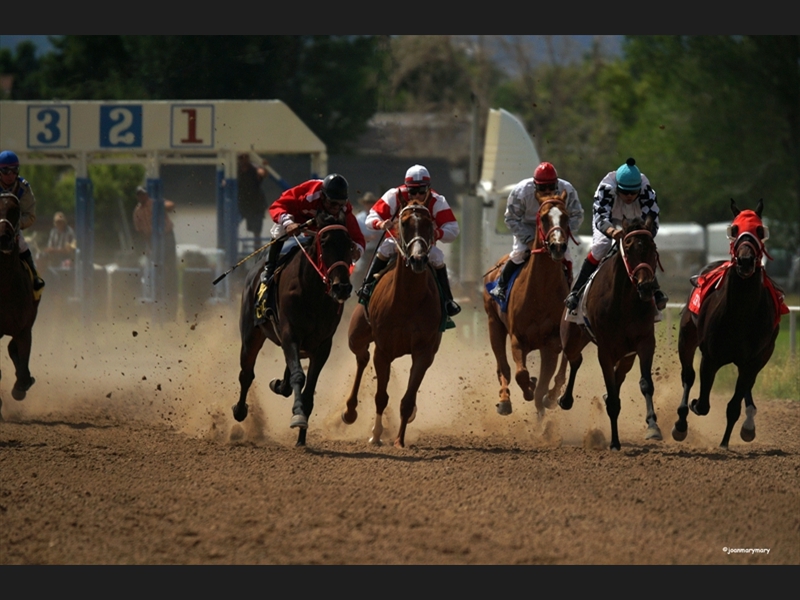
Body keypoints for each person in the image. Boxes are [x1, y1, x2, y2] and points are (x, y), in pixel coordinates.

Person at [564, 157, 668, 312]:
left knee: (642, 247)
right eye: (624, 192)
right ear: (617, 188)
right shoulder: (606, 189)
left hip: (635, 220)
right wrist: (612, 231)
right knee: (601, 246)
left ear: (639, 188)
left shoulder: (647, 192)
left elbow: (653, 218)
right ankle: (576, 292)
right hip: (608, 219)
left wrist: (642, 236)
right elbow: (600, 217)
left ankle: (655, 289)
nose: (629, 196)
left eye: (633, 192)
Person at [359, 164, 461, 317]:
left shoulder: (438, 200)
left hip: (425, 246)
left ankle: (447, 300)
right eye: (413, 191)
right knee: (385, 248)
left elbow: (453, 229)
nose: (418, 196)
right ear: (406, 188)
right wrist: (380, 223)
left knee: (437, 256)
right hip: (397, 243)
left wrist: (437, 233)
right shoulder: (394, 195)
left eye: (422, 191)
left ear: (428, 188)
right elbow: (371, 217)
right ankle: (367, 286)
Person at [489, 161, 584, 301]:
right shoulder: (521, 192)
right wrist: (528, 239)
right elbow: (510, 219)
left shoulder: (568, 190)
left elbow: (577, 215)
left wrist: (562, 234)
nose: (547, 191)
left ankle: (572, 293)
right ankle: (501, 286)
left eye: (551, 187)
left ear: (557, 184)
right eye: (542, 187)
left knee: (566, 257)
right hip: (528, 226)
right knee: (519, 254)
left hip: (554, 227)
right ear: (535, 185)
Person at [263, 173, 366, 283]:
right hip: (297, 221)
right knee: (279, 229)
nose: (336, 208)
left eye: (341, 204)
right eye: (332, 203)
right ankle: (269, 268)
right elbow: (277, 206)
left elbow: (357, 237)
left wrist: (358, 250)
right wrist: (288, 223)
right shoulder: (306, 193)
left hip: (320, 227)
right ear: (322, 196)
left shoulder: (344, 209)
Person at [0, 150, 45, 291]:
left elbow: (30, 215)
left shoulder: (23, 188)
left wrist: (14, 226)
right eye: (6, 171)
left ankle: (35, 277)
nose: (10, 175)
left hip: (13, 230)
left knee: (22, 244)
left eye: (14, 171)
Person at [132, 186, 179, 315]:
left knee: (169, 267)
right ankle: (158, 298)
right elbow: (142, 231)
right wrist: (149, 246)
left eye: (143, 194)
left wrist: (163, 205)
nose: (141, 197)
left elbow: (170, 205)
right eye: (139, 195)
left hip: (166, 236)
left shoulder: (155, 203)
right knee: (156, 269)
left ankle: (171, 298)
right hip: (153, 240)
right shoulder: (137, 212)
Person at [237, 153, 268, 249]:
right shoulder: (235, 170)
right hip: (242, 204)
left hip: (256, 204)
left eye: (246, 157)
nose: (244, 160)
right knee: (232, 226)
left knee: (257, 232)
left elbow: (263, 173)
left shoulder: (254, 168)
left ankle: (256, 252)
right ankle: (232, 250)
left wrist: (263, 166)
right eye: (241, 157)